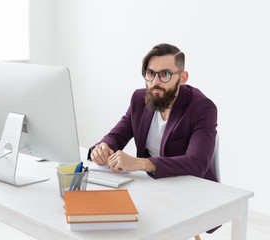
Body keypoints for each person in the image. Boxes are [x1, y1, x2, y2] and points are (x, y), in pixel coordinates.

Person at [88, 43, 218, 182]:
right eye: (150, 73)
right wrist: (102, 148)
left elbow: (197, 163)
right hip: (154, 185)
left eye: (165, 74)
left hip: (195, 189)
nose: (156, 82)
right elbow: (116, 136)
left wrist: (141, 163)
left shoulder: (202, 107)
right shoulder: (139, 99)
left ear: (182, 78)